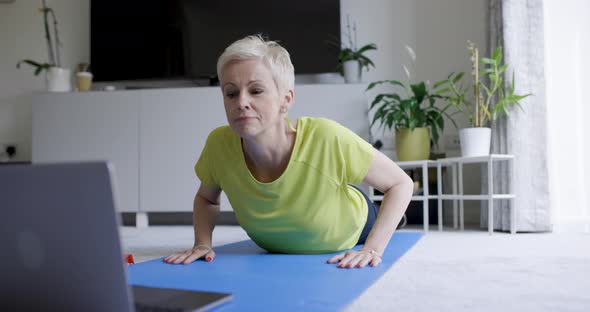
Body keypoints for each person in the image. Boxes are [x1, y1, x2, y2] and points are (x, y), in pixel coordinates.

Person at [164, 35, 413, 269]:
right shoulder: (218, 144)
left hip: (351, 222)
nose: (241, 102)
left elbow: (400, 183)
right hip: (291, 229)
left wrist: (373, 249)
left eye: (256, 90)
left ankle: (394, 219)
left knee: (379, 215)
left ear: (286, 99)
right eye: (231, 93)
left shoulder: (326, 137)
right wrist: (202, 243)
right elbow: (206, 198)